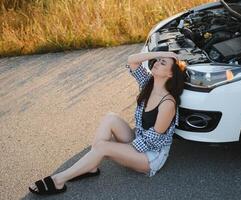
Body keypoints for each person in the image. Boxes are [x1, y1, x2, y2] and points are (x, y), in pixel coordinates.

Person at [28, 51, 186, 195]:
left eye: (162, 63)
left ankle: (58, 180)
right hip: (140, 140)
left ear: (171, 74)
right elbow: (132, 60)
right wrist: (163, 53)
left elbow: (152, 141)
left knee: (103, 147)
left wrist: (114, 149)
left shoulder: (168, 103)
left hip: (151, 156)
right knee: (110, 118)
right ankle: (91, 166)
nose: (156, 63)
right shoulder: (148, 84)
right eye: (157, 60)